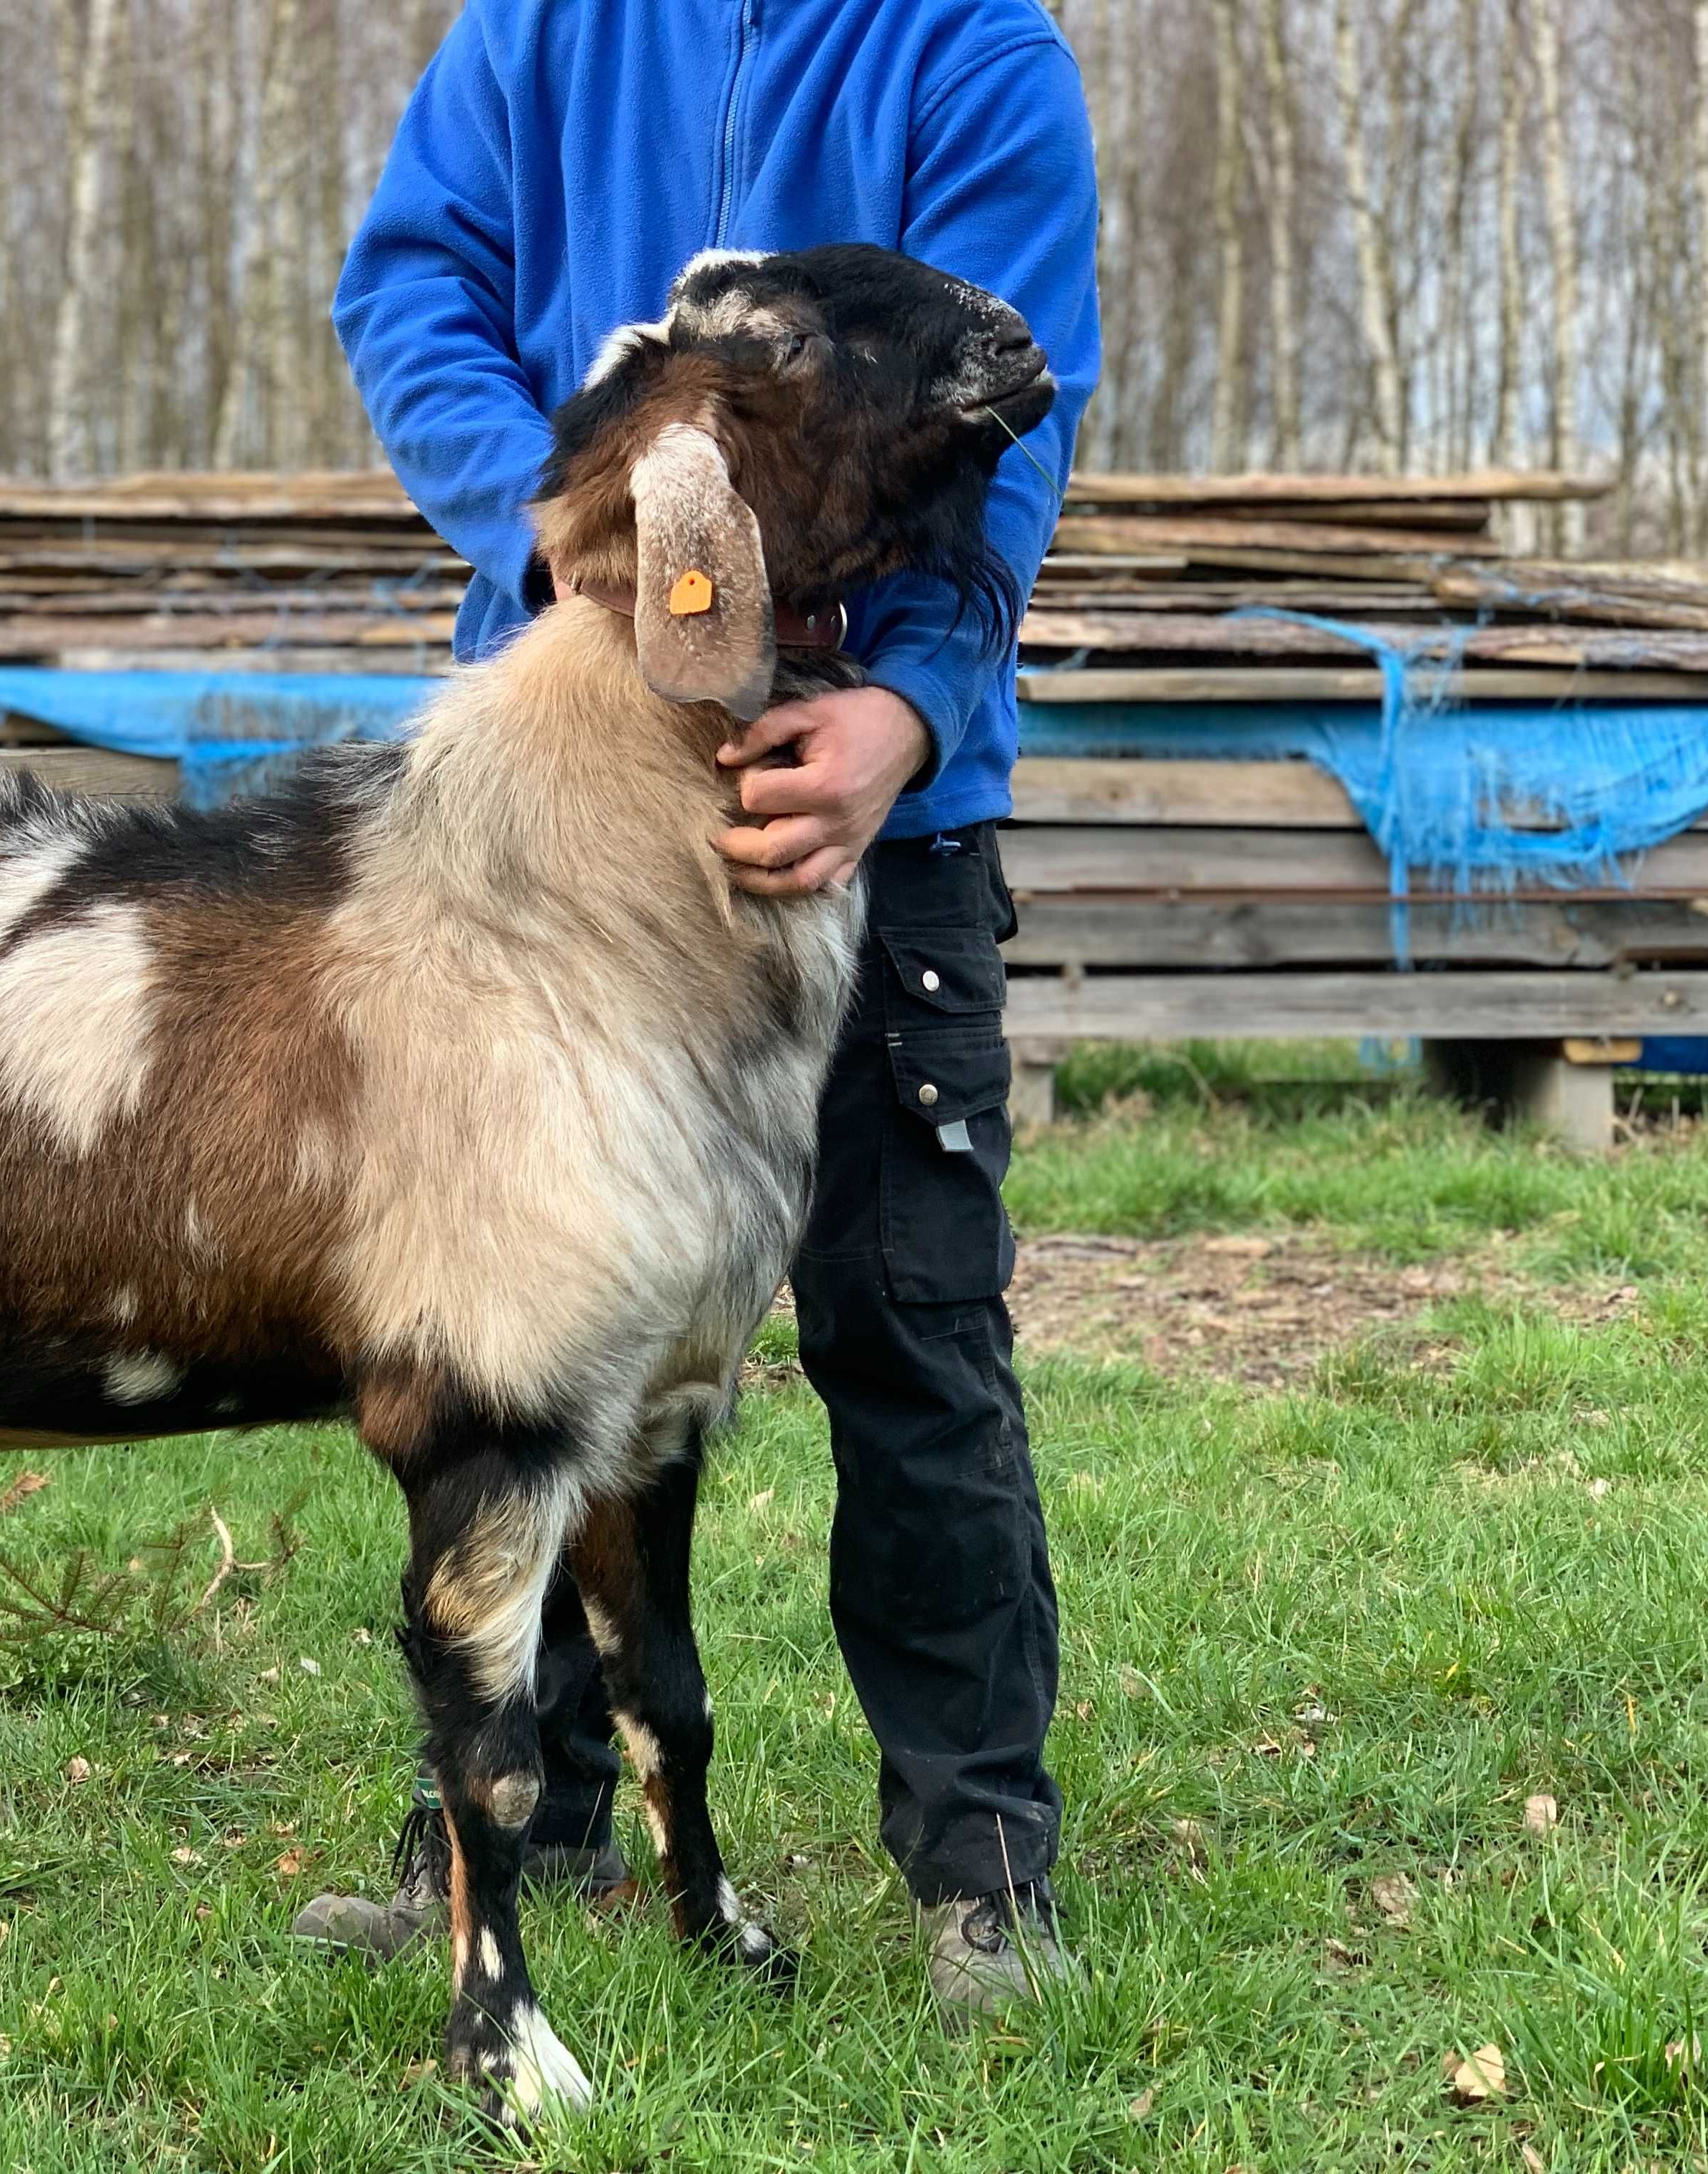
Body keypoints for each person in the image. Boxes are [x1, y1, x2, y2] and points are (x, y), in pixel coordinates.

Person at [290, 0, 1103, 2021]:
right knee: (530, 1321)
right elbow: (409, 284)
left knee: (907, 1322)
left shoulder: (970, 51)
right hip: (569, 794)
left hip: (867, 814)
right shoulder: (542, 32)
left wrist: (907, 710)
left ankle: (980, 1865)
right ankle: (518, 1809)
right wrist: (563, 531)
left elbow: (1016, 398)